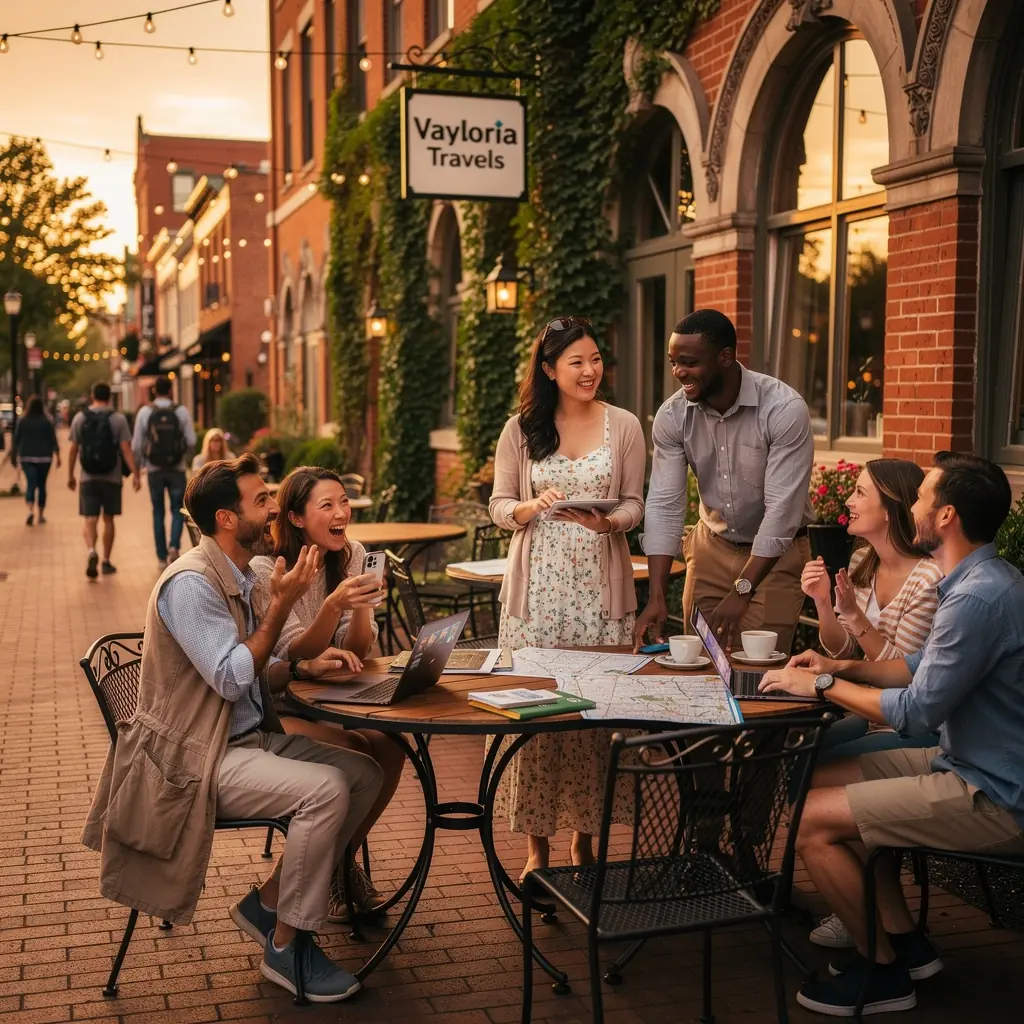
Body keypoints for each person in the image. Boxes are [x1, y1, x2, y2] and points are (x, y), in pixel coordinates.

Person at [82, 454, 384, 1003]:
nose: (274, 510)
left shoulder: (239, 575)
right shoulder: (192, 584)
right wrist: (283, 606)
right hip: (197, 756)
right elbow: (229, 676)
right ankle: (288, 947)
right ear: (227, 518)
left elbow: (257, 673)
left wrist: (300, 668)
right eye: (262, 500)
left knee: (364, 773)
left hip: (244, 737)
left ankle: (267, 905)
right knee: (326, 790)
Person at [760, 452, 1024, 1016]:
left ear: (946, 516)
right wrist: (838, 666)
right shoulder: (980, 580)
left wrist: (824, 684)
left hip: (997, 792)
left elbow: (917, 711)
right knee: (818, 782)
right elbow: (914, 667)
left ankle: (882, 974)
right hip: (962, 761)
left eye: (923, 497)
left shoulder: (975, 598)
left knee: (810, 821)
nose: (913, 507)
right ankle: (905, 942)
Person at [489, 317, 646, 878]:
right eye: (576, 361)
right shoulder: (521, 428)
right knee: (537, 717)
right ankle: (537, 850)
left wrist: (609, 524)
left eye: (596, 359)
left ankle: (584, 841)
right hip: (537, 596)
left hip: (600, 595)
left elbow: (634, 504)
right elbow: (499, 505)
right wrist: (530, 507)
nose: (589, 370)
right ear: (550, 369)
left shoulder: (624, 425)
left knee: (594, 715)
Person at [799, 458, 943, 951]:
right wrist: (824, 603)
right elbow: (843, 651)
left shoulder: (927, 580)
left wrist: (857, 621)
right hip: (868, 713)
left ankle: (863, 908)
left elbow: (904, 673)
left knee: (812, 775)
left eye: (860, 493)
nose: (848, 501)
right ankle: (863, 899)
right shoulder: (865, 560)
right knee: (799, 757)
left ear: (891, 509)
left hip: (908, 726)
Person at [251, 466, 402, 920]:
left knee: (390, 743)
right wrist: (334, 604)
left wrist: (363, 607)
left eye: (344, 502)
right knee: (358, 748)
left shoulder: (351, 553)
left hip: (331, 697)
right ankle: (334, 872)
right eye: (328, 505)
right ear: (296, 518)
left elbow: (356, 649)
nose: (341, 513)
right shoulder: (268, 569)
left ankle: (339, 861)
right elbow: (295, 652)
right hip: (279, 705)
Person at [635, 308, 814, 655]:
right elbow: (665, 504)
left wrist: (743, 589)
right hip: (711, 548)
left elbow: (782, 510)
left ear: (726, 357)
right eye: (674, 362)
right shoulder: (672, 416)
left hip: (776, 557)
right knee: (696, 663)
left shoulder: (783, 409)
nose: (678, 372)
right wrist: (656, 595)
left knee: (758, 669)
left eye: (689, 362)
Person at [67, 382, 140, 578]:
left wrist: (70, 475)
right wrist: (136, 474)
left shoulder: (80, 417)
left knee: (90, 518)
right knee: (108, 519)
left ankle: (92, 550)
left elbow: (73, 449)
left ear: (93, 396)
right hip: (112, 477)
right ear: (109, 397)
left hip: (88, 477)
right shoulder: (118, 419)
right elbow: (126, 449)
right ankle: (106, 561)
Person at [132, 376, 196, 566]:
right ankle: (174, 546)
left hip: (154, 469)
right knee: (177, 509)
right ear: (170, 391)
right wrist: (185, 457)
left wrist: (138, 469)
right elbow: (191, 440)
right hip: (177, 468)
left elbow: (136, 445)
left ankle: (161, 556)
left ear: (154, 391)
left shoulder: (145, 412)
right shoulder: (181, 411)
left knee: (158, 511)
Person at [13, 395, 60, 525]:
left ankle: (30, 510)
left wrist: (15, 456)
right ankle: (40, 514)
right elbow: (53, 439)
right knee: (42, 485)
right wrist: (58, 455)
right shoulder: (47, 421)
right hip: (45, 457)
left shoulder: (23, 421)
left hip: (27, 457)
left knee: (31, 483)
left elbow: (16, 439)